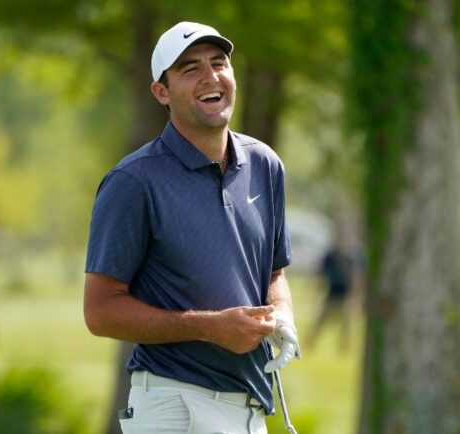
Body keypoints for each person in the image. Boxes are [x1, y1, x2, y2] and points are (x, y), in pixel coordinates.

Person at [83, 21, 300, 434]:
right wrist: (210, 328)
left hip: (250, 407)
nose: (210, 77)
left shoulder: (264, 165)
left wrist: (282, 313)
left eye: (219, 63)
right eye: (190, 69)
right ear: (161, 92)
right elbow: (99, 311)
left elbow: (274, 270)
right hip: (174, 408)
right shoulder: (133, 182)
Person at [307, 236, 364, 352]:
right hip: (332, 294)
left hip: (344, 295)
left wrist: (355, 297)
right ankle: (310, 343)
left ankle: (344, 347)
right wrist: (315, 295)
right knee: (321, 322)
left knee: (346, 326)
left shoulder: (350, 258)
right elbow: (320, 275)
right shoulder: (330, 257)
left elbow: (355, 278)